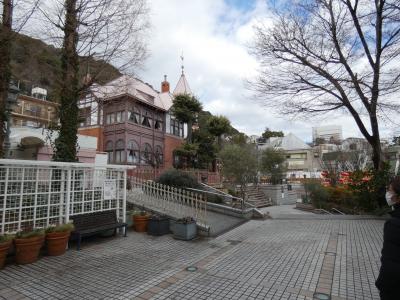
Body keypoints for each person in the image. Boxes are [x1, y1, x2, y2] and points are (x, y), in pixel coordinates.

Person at [376, 176, 400, 299]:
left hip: (393, 289)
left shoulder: (394, 225)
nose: (388, 194)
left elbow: (390, 262)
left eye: (390, 190)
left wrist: (382, 285)